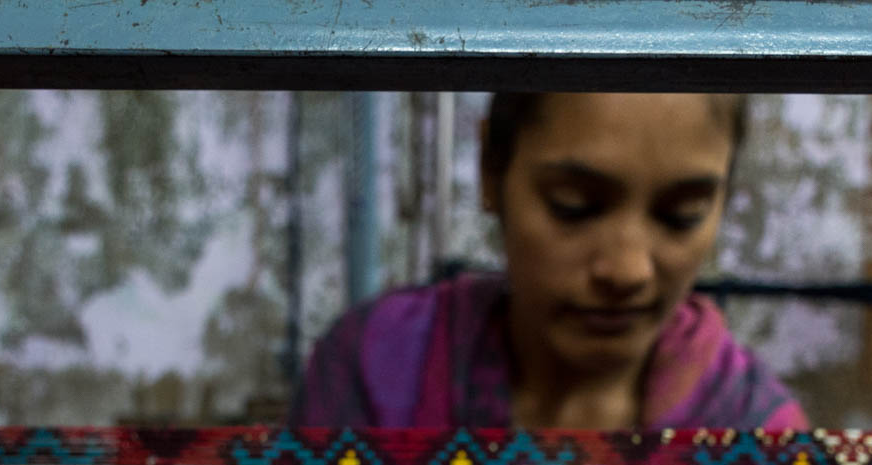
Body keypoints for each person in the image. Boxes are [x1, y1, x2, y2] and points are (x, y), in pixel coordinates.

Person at [292, 92, 808, 431]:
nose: (627, 270)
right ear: (493, 173)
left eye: (681, 215)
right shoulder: (373, 368)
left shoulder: (759, 439)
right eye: (573, 206)